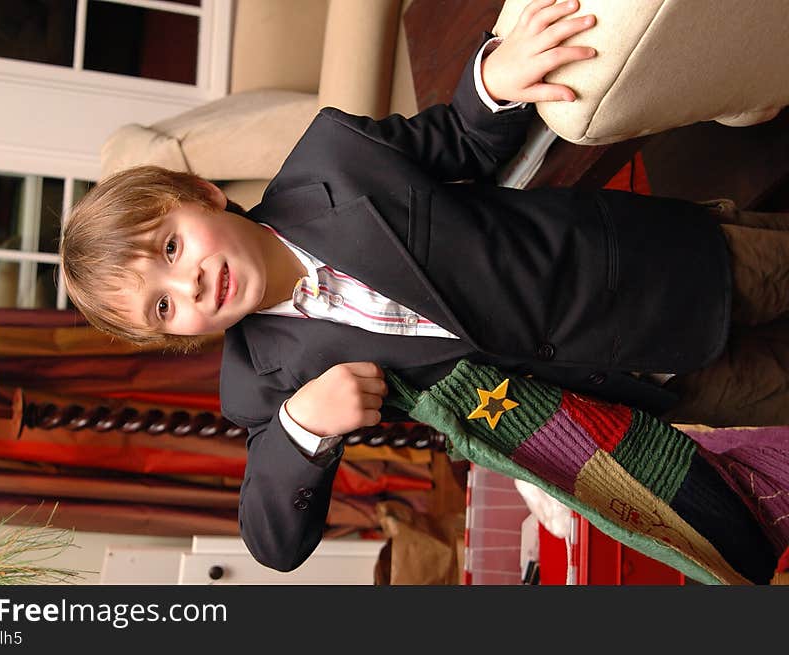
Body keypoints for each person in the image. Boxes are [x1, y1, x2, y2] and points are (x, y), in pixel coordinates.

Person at [60, 0, 789, 572]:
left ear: (203, 192)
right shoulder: (263, 387)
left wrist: (492, 80)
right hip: (646, 386)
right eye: (164, 307)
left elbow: (458, 140)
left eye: (171, 246)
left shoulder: (332, 160)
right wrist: (303, 429)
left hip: (662, 263)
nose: (188, 285)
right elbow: (271, 542)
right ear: (173, 336)